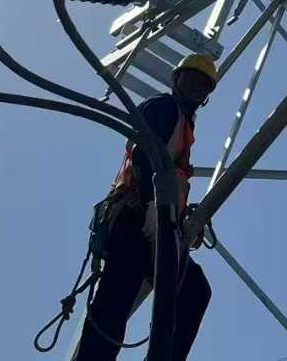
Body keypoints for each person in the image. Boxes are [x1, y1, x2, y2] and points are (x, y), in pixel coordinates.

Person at [72, 53, 217, 361]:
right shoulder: (165, 107)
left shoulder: (184, 127)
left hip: (159, 225)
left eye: (203, 85)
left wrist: (179, 218)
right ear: (176, 80)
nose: (196, 88)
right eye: (191, 80)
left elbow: (170, 177)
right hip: (136, 218)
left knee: (193, 290)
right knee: (114, 303)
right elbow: (143, 153)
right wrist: (153, 207)